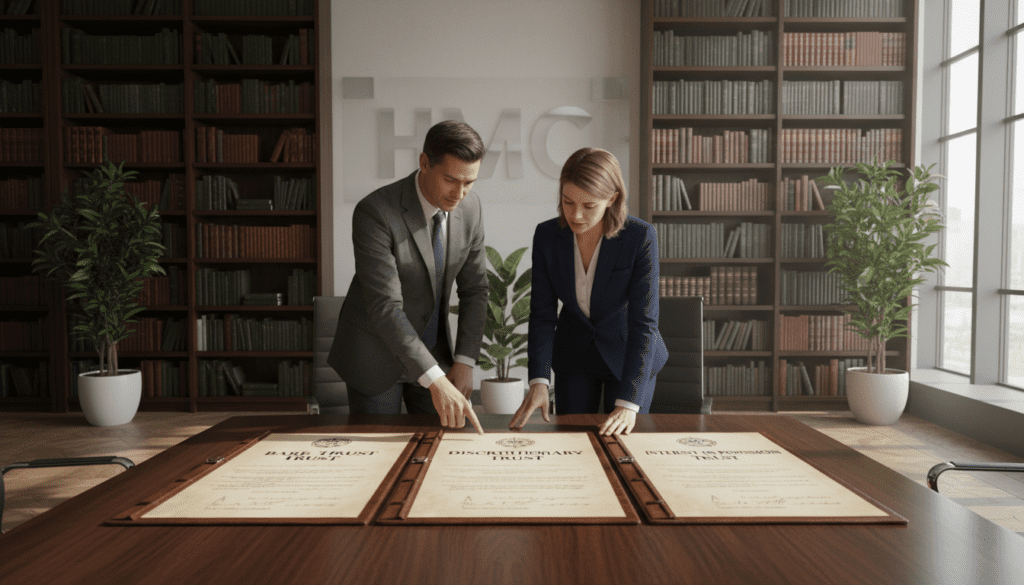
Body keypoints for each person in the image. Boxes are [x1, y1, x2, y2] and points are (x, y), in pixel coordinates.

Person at [328, 120, 488, 433]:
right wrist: (435, 379)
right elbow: (385, 306)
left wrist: (465, 360)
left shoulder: (471, 208)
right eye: (451, 180)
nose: (460, 193)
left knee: (441, 450)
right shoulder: (375, 212)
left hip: (434, 352)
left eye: (470, 182)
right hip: (376, 355)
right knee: (377, 454)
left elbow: (475, 290)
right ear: (424, 163)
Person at [509, 147, 667, 436]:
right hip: (575, 354)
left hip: (628, 353)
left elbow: (644, 322)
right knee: (572, 442)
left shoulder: (639, 237)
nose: (576, 215)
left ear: (613, 199)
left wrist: (629, 402)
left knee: (623, 446)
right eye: (568, 202)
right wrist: (539, 381)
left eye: (589, 205)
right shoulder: (547, 236)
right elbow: (542, 315)